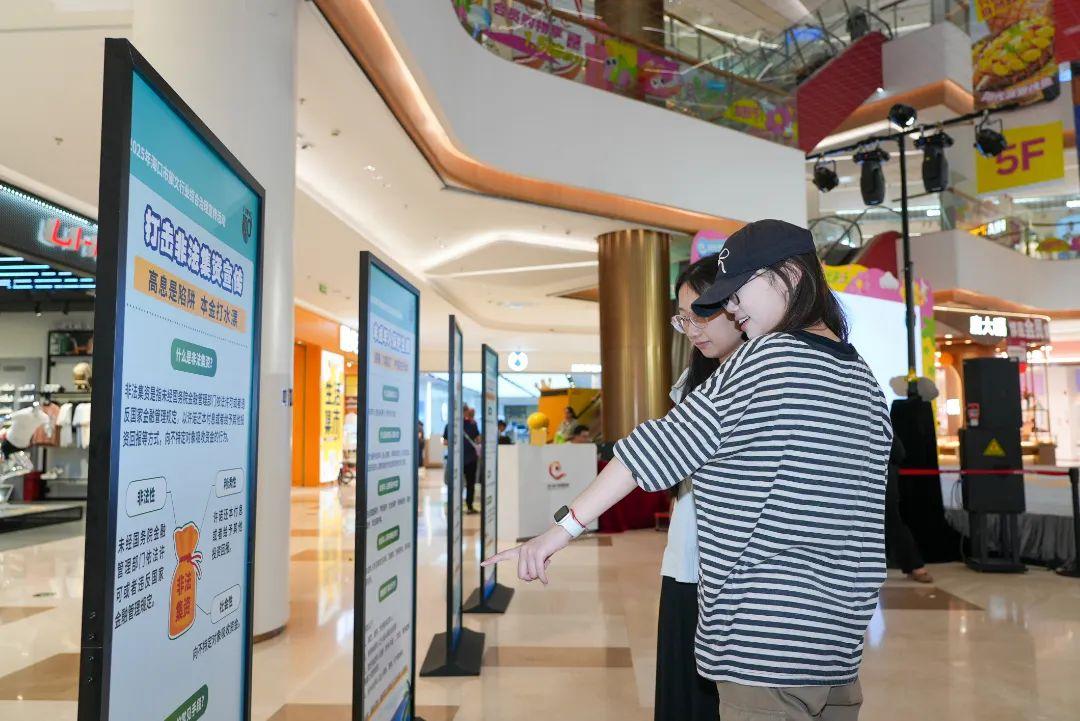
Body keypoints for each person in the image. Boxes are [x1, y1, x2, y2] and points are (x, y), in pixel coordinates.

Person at [484, 220, 892, 721]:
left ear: (789, 275)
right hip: (837, 644)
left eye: (737, 293)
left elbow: (654, 450)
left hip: (764, 644)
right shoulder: (861, 375)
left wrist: (559, 531)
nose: (732, 309)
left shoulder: (767, 357)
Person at [654, 256, 745, 721]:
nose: (691, 330)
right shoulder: (695, 381)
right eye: (683, 319)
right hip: (686, 559)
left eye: (701, 315)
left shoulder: (760, 380)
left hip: (738, 572)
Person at [886, 435, 932, 583]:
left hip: (882, 480)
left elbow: (898, 452)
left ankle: (914, 565)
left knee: (893, 522)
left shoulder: (879, 425)